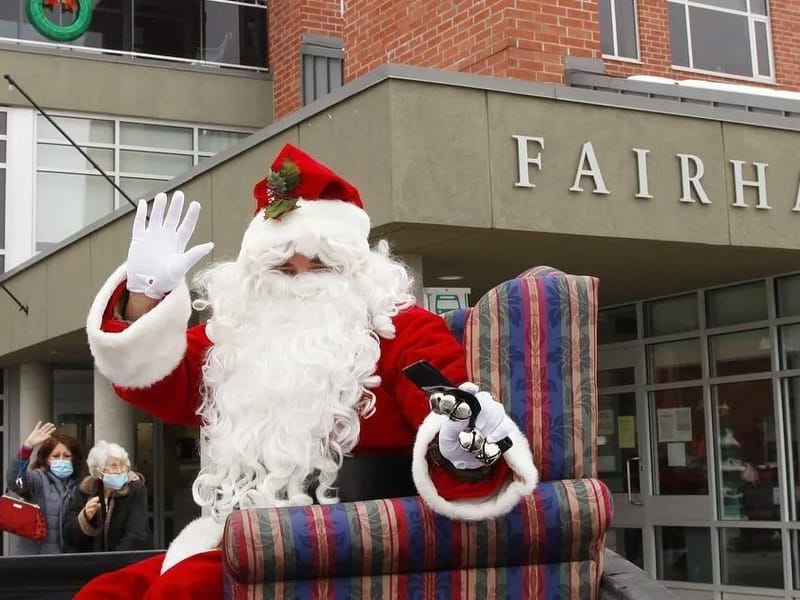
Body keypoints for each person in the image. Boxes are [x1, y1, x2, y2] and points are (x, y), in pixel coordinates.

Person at [78, 144, 538, 598]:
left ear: (355, 267)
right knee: (105, 592)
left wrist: (460, 445)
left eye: (320, 264)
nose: (300, 278)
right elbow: (155, 383)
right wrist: (144, 299)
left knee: (177, 592)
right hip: (248, 534)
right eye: (282, 266)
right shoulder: (237, 338)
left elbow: (445, 403)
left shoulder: (408, 332)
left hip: (350, 543)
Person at [4, 421, 87, 554]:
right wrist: (27, 447)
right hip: (36, 558)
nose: (61, 460)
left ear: (74, 459)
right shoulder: (38, 479)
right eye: (55, 456)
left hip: (69, 559)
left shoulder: (82, 485)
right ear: (46, 459)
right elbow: (15, 481)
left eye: (66, 456)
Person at [63, 440, 152, 552]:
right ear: (98, 472)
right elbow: (69, 536)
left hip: (125, 562)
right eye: (113, 466)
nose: (119, 471)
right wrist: (85, 517)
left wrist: (114, 562)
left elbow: (136, 534)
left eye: (123, 465)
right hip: (92, 564)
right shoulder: (84, 491)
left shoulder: (135, 489)